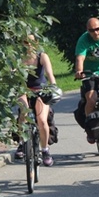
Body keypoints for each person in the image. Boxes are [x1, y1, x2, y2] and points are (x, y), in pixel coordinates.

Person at [16, 34, 61, 167]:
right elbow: (12, 73)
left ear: (36, 43)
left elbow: (50, 75)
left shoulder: (42, 56)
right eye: (25, 42)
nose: (28, 45)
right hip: (24, 90)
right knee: (23, 112)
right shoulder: (18, 58)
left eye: (31, 42)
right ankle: (21, 143)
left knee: (41, 120)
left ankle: (45, 150)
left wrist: (53, 87)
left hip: (41, 90)